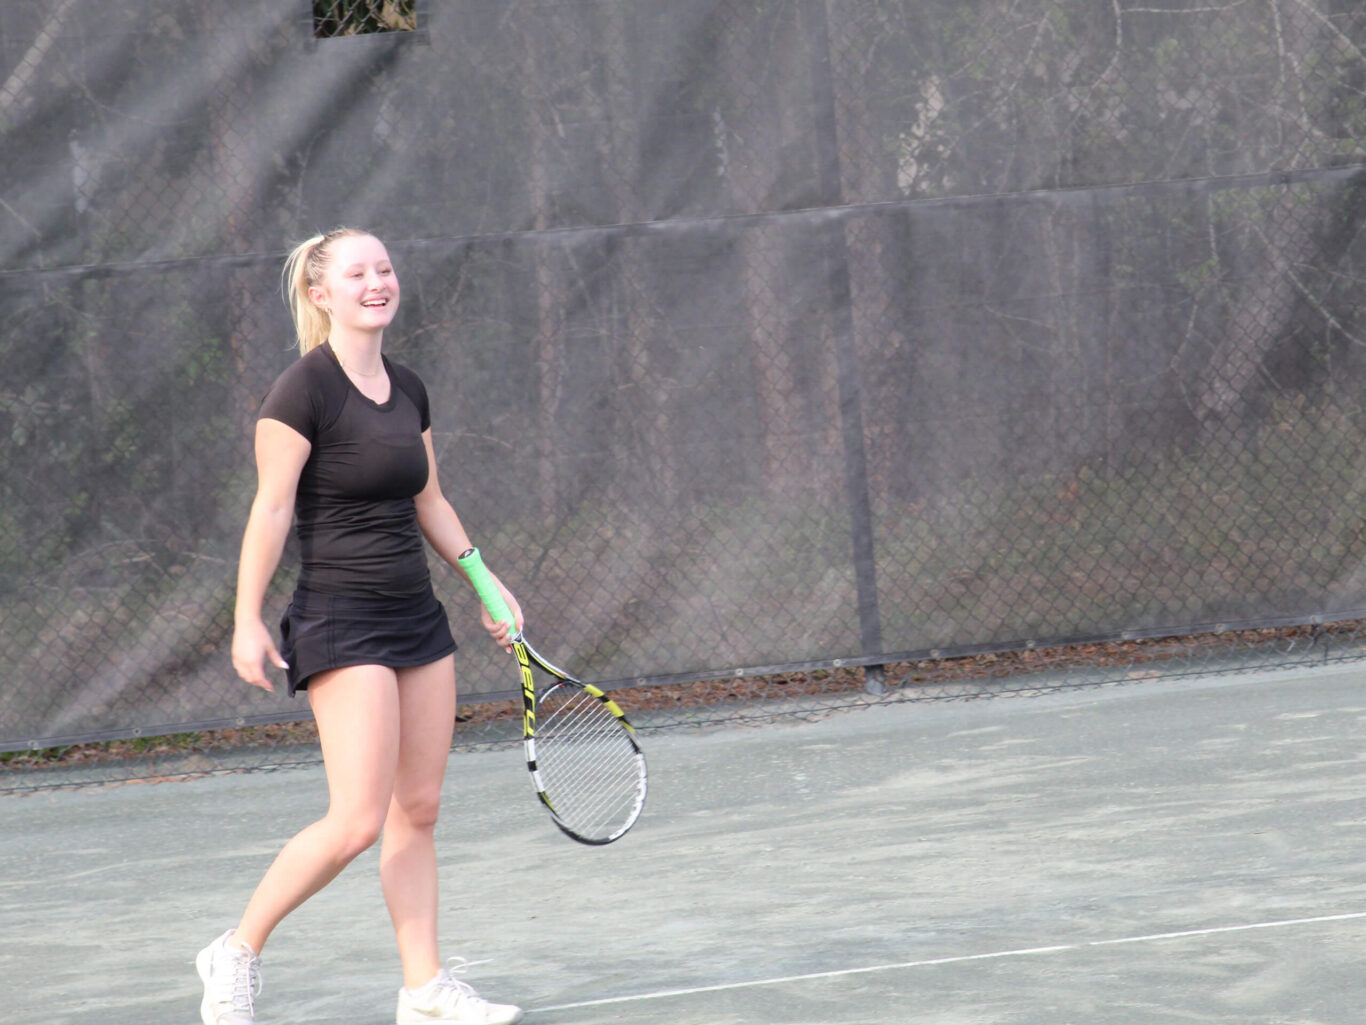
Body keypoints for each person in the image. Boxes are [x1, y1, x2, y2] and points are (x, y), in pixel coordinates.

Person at [198, 227, 525, 1025]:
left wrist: (486, 583)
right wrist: (245, 620)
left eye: (384, 268)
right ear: (321, 294)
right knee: (355, 821)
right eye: (357, 273)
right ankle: (235, 950)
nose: (376, 281)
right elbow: (271, 508)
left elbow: (430, 501)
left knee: (421, 807)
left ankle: (425, 989)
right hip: (340, 621)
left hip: (417, 618)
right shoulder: (300, 392)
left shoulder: (409, 386)